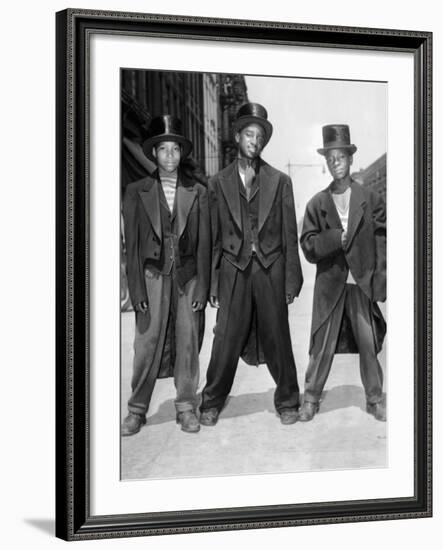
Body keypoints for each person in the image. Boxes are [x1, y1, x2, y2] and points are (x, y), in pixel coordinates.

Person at [199, 102, 304, 426]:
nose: (254, 140)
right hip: (233, 268)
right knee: (226, 337)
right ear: (237, 135)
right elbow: (214, 237)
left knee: (278, 335)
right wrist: (214, 284)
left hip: (271, 267)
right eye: (249, 133)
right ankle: (211, 401)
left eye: (259, 136)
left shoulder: (280, 181)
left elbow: (289, 234)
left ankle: (288, 400)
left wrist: (291, 281)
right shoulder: (217, 183)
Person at [121, 115, 210, 436]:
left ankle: (186, 406)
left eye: (175, 150)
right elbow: (131, 246)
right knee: (146, 343)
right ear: (154, 153)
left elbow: (205, 243)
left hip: (188, 277)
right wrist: (136, 290)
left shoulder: (197, 192)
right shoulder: (136, 191)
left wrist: (204, 287)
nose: (170, 156)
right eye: (164, 149)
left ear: (181, 154)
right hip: (151, 276)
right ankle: (136, 409)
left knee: (188, 342)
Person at [298, 124, 387, 422]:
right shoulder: (317, 203)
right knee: (322, 344)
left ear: (350, 159)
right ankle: (310, 398)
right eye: (330, 157)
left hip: (360, 282)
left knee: (367, 342)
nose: (336, 162)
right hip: (331, 284)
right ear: (326, 163)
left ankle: (375, 398)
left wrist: (380, 277)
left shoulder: (370, 198)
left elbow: (382, 239)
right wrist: (335, 239)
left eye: (341, 156)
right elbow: (308, 244)